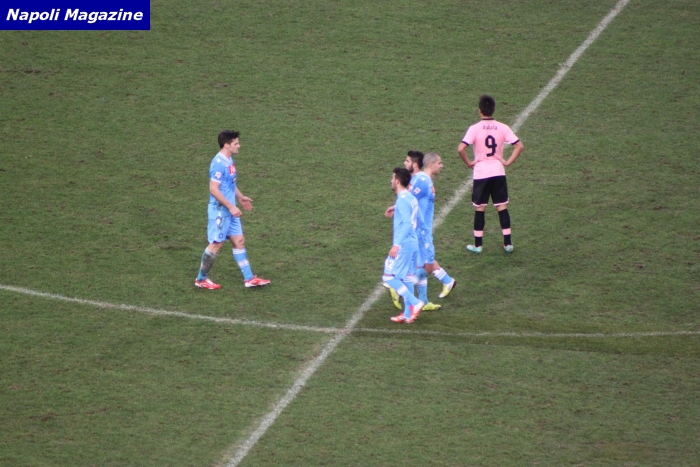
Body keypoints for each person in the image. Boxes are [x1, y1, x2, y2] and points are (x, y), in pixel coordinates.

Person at [194, 130, 271, 289]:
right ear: (226, 145)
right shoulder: (218, 163)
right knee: (216, 244)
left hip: (231, 210)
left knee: (239, 241)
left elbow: (229, 184)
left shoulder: (229, 160)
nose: (239, 146)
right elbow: (213, 189)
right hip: (220, 211)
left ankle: (249, 278)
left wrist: (240, 197)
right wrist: (230, 206)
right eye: (236, 143)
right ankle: (201, 280)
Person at [385, 151, 457, 312]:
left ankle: (423, 300)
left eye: (407, 161)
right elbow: (410, 199)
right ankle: (400, 289)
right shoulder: (423, 180)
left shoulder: (420, 179)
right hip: (421, 231)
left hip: (419, 229)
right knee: (428, 266)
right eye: (439, 163)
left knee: (420, 264)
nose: (442, 166)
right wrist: (397, 207)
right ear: (430, 164)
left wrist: (396, 207)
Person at [458, 95, 524, 253]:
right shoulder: (503, 127)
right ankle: (508, 243)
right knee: (502, 206)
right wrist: (508, 162)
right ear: (493, 109)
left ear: (480, 110)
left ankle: (478, 245)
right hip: (498, 171)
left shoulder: (474, 128)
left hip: (481, 173)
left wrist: (468, 162)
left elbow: (461, 148)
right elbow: (519, 146)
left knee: (480, 208)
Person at [383, 167, 425, 323]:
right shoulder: (411, 198)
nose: (391, 181)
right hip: (413, 243)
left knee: (388, 277)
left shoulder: (402, 200)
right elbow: (419, 219)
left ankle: (415, 303)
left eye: (393, 178)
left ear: (398, 181)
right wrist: (396, 209)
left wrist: (396, 245)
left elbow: (407, 223)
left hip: (404, 245)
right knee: (407, 278)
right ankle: (407, 315)